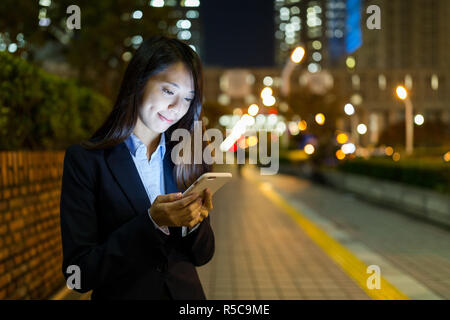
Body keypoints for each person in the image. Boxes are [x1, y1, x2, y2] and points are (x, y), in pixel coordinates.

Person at [59, 35, 215, 300]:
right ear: (139, 81)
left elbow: (202, 256)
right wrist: (153, 222)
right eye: (168, 91)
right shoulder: (86, 161)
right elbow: (80, 274)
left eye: (188, 99)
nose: (177, 108)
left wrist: (195, 223)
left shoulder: (186, 158)